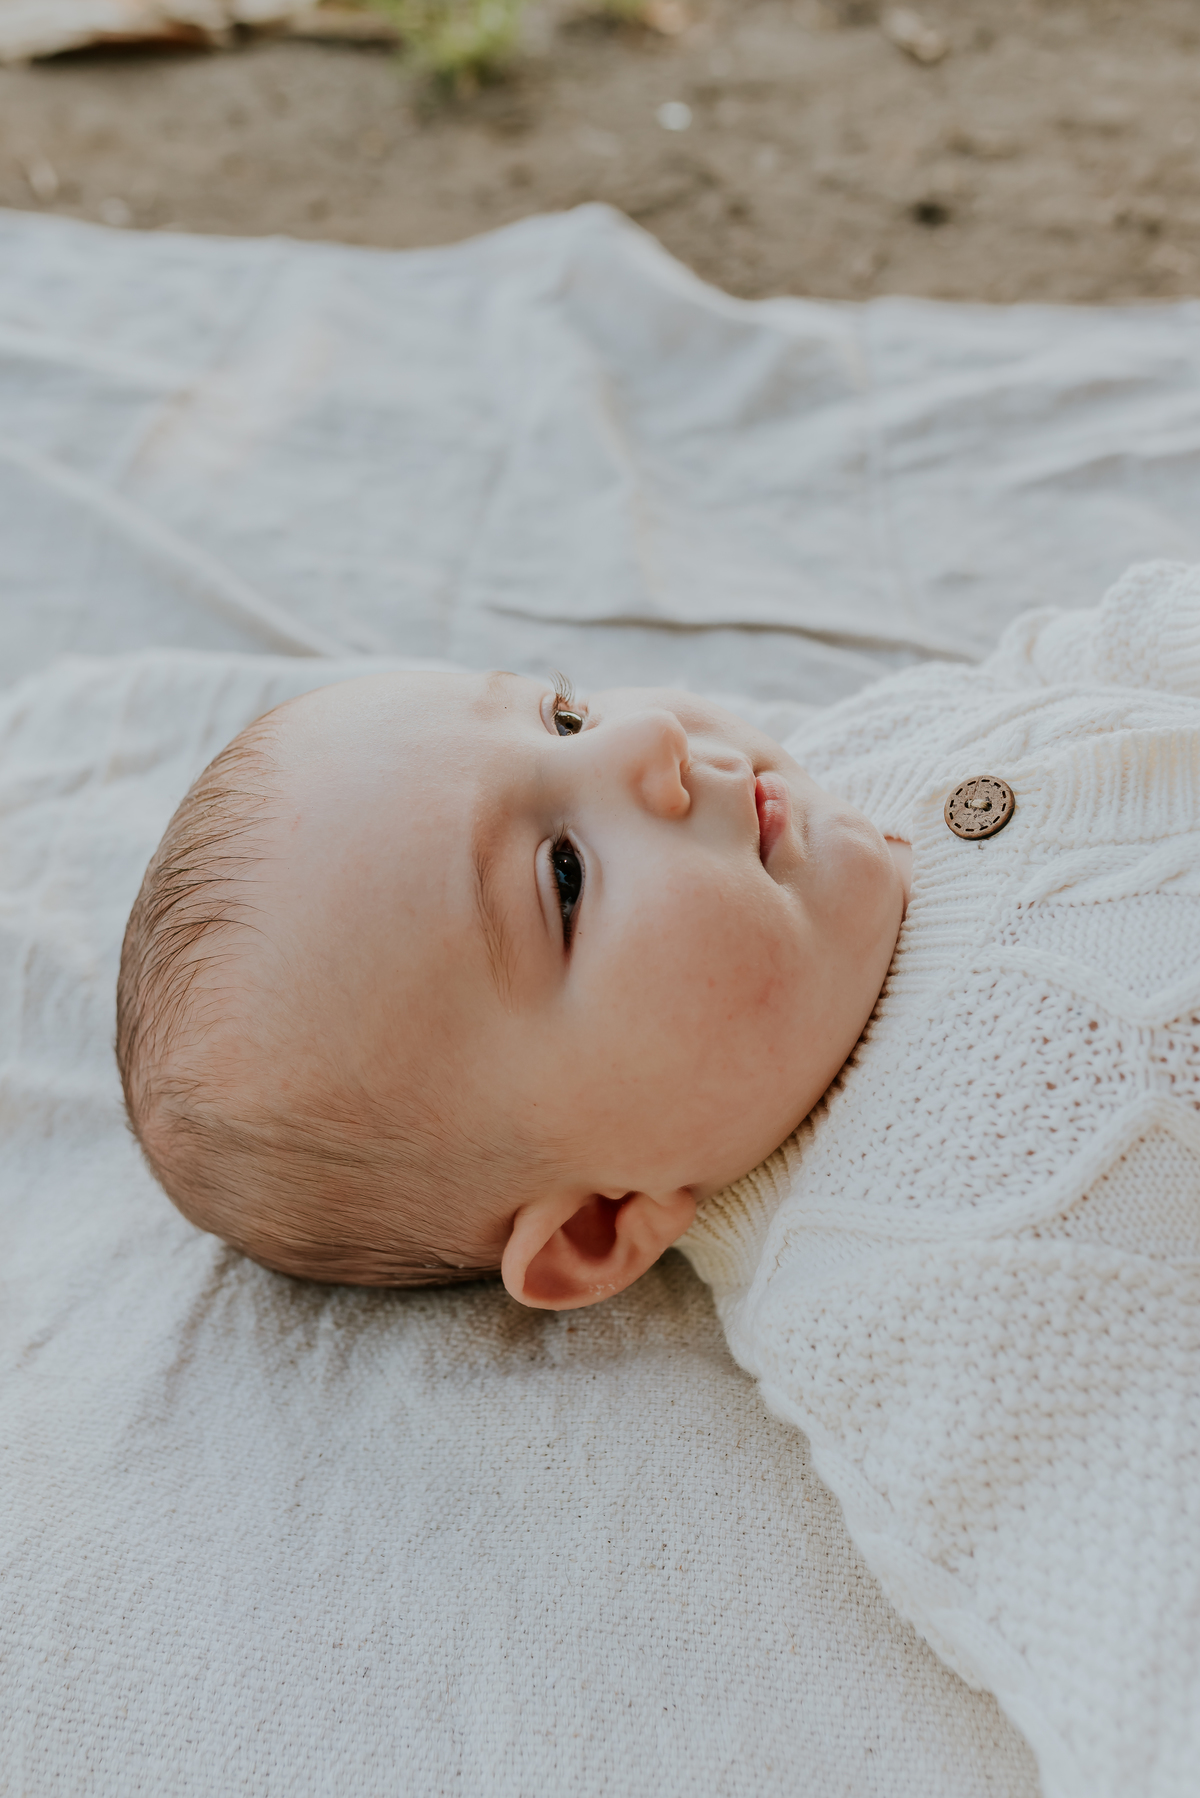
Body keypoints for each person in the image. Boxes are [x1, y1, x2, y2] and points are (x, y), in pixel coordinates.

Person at [117, 557, 1200, 1793]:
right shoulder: (929, 1277)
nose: (647, 738)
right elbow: (1145, 1626)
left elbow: (1069, 660)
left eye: (563, 712)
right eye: (565, 877)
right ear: (595, 1224)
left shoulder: (852, 757)